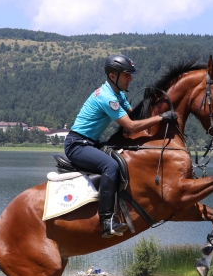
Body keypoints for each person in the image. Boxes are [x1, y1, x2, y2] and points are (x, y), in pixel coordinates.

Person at [64, 54, 178, 238]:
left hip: (90, 142)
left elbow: (134, 116)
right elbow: (131, 126)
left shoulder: (118, 95)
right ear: (112, 76)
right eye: (127, 75)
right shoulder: (108, 98)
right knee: (111, 165)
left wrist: (156, 104)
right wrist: (160, 118)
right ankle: (106, 221)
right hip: (76, 145)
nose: (131, 78)